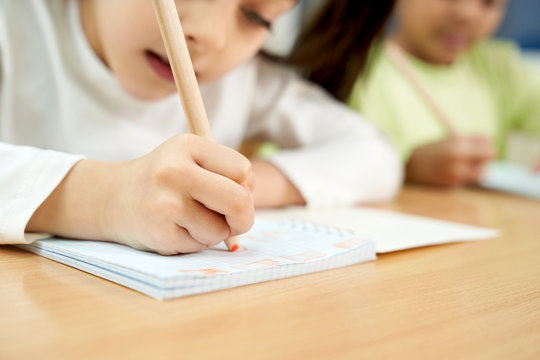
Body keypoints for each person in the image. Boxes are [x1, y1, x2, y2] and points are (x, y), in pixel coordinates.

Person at [0, 0, 401, 255]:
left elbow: (373, 154)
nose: (208, 34)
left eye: (256, 15)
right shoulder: (14, 24)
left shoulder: (243, 80)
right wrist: (107, 197)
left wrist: (234, 188)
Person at [347, 0, 540, 187]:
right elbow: (338, 162)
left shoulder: (498, 69)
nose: (467, 15)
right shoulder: (356, 70)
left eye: (488, 2)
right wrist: (408, 167)